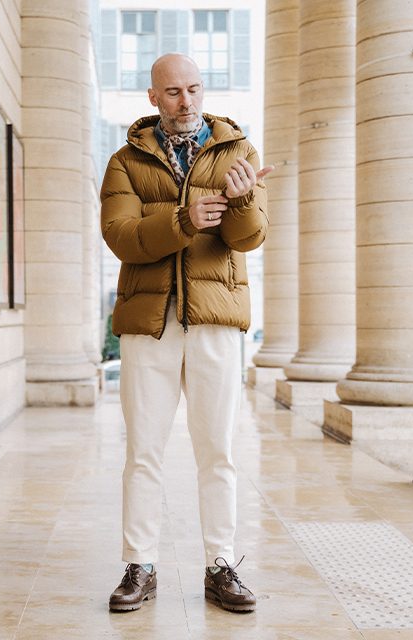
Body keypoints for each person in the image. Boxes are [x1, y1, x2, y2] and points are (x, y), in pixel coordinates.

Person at [100, 53, 272, 614]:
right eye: (172, 92)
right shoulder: (124, 161)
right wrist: (183, 219)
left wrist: (243, 200)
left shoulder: (240, 152)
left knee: (217, 450)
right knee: (143, 452)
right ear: (153, 97)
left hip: (215, 321)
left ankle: (221, 565)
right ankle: (139, 564)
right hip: (149, 324)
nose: (186, 102)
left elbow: (249, 239)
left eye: (194, 89)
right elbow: (122, 236)